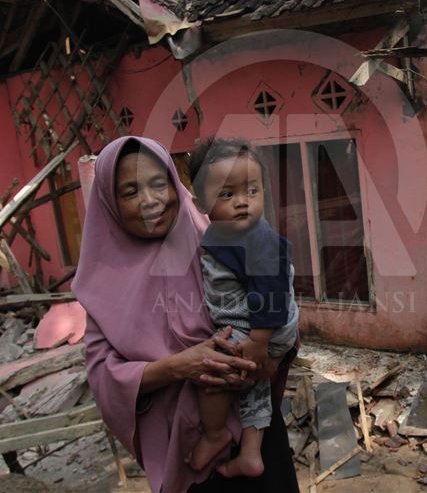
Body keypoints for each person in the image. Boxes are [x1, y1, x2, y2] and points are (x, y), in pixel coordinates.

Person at [72, 136, 299, 493]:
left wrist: (265, 359)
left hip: (253, 437)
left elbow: (280, 309)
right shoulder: (103, 286)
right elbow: (104, 377)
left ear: (177, 186)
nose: (151, 201)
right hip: (185, 451)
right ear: (109, 203)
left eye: (159, 184)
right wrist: (178, 366)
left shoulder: (219, 241)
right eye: (130, 192)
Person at [187, 138, 299, 478]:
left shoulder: (254, 238)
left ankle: (215, 432)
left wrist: (260, 342)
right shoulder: (226, 235)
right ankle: (251, 453)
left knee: (213, 374)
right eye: (226, 194)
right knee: (254, 385)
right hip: (260, 327)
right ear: (201, 202)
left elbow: (271, 290)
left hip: (261, 327)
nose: (242, 203)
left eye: (252, 191)